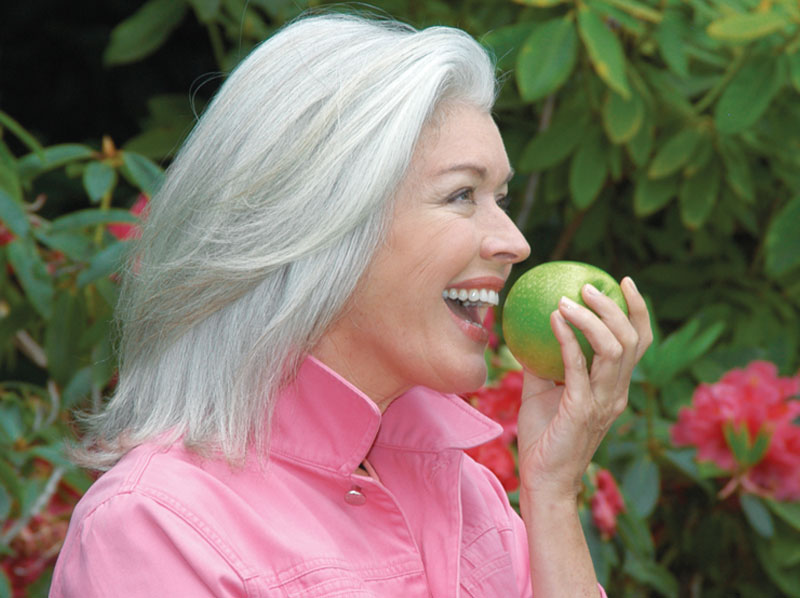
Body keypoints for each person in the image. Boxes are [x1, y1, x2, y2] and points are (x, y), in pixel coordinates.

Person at [50, 12, 652, 597]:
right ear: (325, 223)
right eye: (463, 194)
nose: (515, 242)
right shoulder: (155, 530)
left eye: (500, 195)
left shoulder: (472, 497)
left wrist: (551, 490)